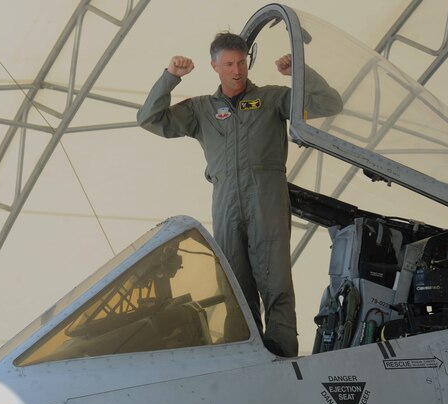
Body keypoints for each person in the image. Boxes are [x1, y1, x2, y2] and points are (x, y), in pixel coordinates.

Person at [137, 32, 342, 357]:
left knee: (276, 286)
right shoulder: (201, 109)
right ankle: (248, 356)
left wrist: (300, 72)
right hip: (226, 205)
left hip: (267, 203)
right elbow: (150, 119)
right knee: (236, 288)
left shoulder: (273, 99)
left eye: (242, 62)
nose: (237, 70)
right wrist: (170, 77)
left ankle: (284, 358)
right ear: (214, 66)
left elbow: (329, 103)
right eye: (229, 64)